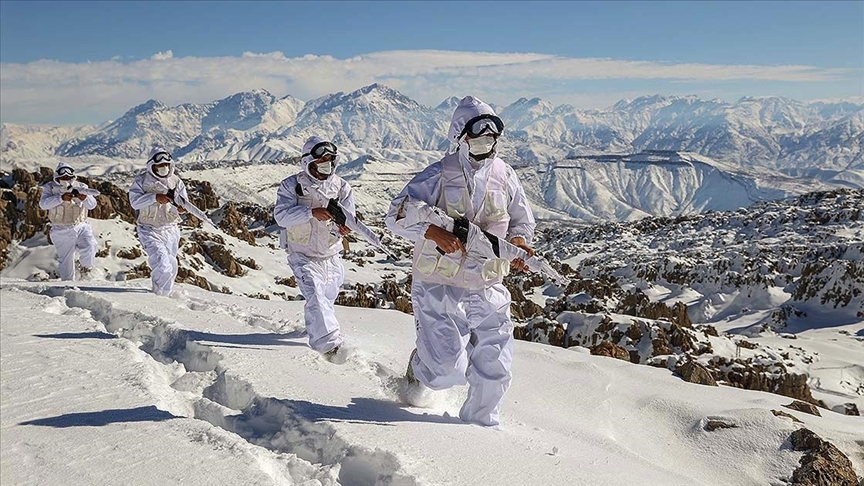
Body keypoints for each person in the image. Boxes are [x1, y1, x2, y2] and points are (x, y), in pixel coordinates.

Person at [385, 96, 536, 427]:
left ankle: (480, 431)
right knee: (444, 372)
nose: (486, 144)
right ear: (460, 137)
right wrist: (432, 232)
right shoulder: (437, 175)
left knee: (495, 368)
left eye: (491, 138)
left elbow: (521, 220)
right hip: (440, 287)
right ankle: (420, 368)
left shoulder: (506, 176)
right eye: (478, 137)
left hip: (488, 286)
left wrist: (521, 241)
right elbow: (393, 217)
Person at [274, 136, 356, 360]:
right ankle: (330, 348)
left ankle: (315, 330)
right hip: (303, 256)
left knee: (326, 299)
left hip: (331, 256)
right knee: (316, 297)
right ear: (307, 163)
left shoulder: (341, 187)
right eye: (320, 164)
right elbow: (281, 216)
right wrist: (310, 212)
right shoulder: (292, 186)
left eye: (329, 164)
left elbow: (350, 218)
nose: (325, 169)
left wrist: (344, 228)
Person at [128, 147, 188, 296]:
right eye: (160, 165)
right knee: (163, 264)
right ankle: (157, 295)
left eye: (166, 164)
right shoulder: (141, 181)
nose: (164, 168)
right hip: (149, 230)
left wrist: (180, 208)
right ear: (151, 166)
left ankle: (164, 295)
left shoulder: (176, 181)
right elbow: (134, 202)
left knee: (172, 264)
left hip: (171, 230)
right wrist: (154, 197)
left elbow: (183, 202)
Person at [39, 162, 99, 281]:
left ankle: (86, 270)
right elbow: (43, 204)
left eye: (68, 176)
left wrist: (85, 197)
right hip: (60, 229)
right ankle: (68, 288)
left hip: (81, 226)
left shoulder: (81, 186)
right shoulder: (49, 188)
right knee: (66, 264)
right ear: (57, 176)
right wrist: (61, 198)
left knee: (89, 246)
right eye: (63, 176)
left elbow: (92, 205)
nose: (66, 179)